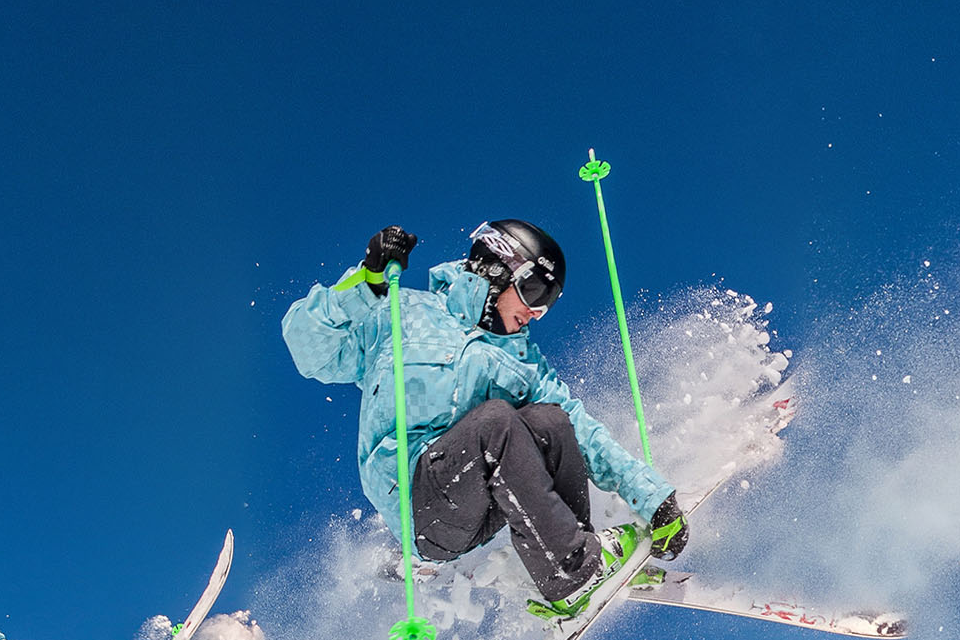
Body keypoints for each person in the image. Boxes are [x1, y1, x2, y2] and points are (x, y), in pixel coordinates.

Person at [282, 220, 684, 618]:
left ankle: (576, 557)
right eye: (534, 291)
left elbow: (581, 430)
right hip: (418, 501)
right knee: (496, 423)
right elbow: (307, 348)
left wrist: (652, 498)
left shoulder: (521, 358)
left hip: (479, 505)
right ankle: (571, 572)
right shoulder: (400, 313)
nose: (537, 312)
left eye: (548, 302)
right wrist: (367, 284)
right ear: (497, 269)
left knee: (553, 422)